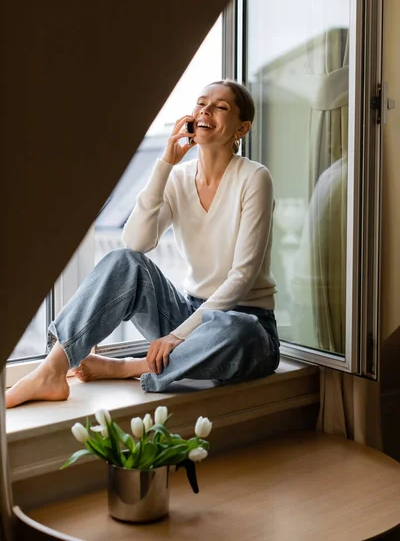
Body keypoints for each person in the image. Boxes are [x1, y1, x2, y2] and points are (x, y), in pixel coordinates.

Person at [6, 80, 279, 409]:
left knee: (240, 332)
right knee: (124, 261)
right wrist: (165, 163)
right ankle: (52, 369)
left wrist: (177, 337)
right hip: (187, 316)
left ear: (242, 128)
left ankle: (129, 367)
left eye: (221, 107)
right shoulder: (178, 178)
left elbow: (243, 276)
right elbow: (136, 241)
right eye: (201, 103)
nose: (206, 110)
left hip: (245, 324)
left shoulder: (254, 177)